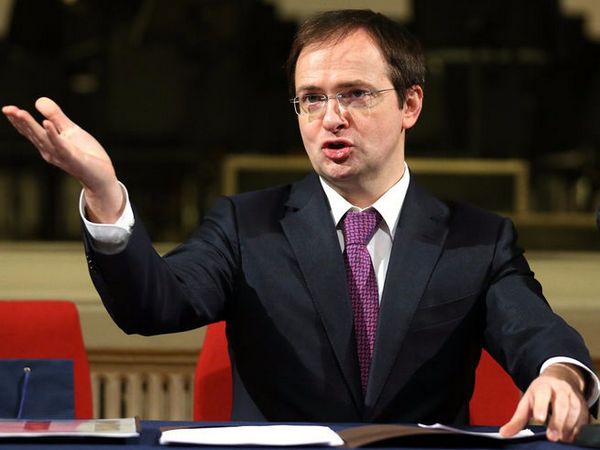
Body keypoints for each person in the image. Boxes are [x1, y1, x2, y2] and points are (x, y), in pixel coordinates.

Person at [3, 9, 598, 443]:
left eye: (355, 94)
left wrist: (563, 378)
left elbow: (537, 334)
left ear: (410, 105)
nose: (330, 118)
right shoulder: (246, 226)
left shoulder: (476, 239)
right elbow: (151, 306)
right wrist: (105, 195)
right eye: (311, 98)